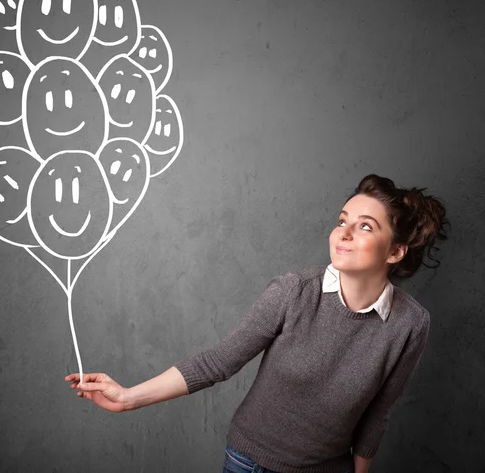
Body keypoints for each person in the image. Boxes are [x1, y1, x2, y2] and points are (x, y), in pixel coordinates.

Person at [65, 174, 449, 473]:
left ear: (396, 251)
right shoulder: (294, 291)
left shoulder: (411, 324)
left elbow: (377, 413)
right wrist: (129, 397)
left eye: (365, 226)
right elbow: (218, 363)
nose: (343, 233)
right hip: (252, 463)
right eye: (342, 220)